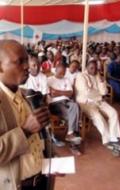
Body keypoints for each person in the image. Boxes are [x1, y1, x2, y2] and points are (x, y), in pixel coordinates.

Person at [0, 39, 50, 189]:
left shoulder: (27, 96)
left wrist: (49, 161)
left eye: (26, 60)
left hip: (41, 179)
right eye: (19, 61)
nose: (27, 66)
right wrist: (25, 131)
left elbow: (37, 142)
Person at [75, 60, 120, 152]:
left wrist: (101, 82)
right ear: (86, 68)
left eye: (95, 68)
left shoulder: (98, 76)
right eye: (91, 68)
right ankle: (108, 141)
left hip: (99, 100)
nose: (93, 70)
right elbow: (86, 92)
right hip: (86, 102)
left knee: (113, 113)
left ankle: (114, 138)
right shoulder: (81, 76)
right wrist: (95, 90)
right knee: (98, 117)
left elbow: (104, 92)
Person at [47, 62, 82, 154]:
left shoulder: (66, 80)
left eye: (63, 73)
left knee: (75, 106)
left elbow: (70, 93)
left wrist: (58, 92)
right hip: (55, 104)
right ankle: (73, 145)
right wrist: (63, 92)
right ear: (55, 70)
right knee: (75, 116)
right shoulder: (49, 80)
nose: (62, 75)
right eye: (60, 73)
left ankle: (70, 134)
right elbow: (52, 94)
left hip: (67, 103)